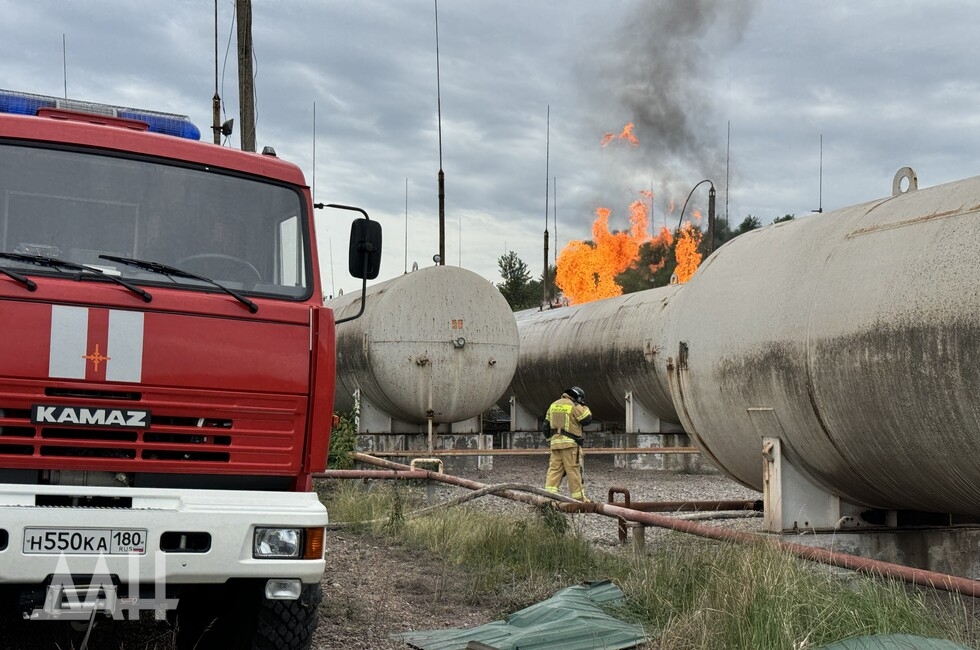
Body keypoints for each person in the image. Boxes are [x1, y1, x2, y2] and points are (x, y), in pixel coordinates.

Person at [544, 386, 593, 502]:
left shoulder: (553, 405)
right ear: (578, 397)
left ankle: (548, 498)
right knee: (573, 471)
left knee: (554, 471)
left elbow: (545, 427)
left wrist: (552, 440)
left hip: (555, 444)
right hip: (570, 445)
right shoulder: (574, 406)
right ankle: (579, 499)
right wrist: (583, 406)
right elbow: (587, 419)